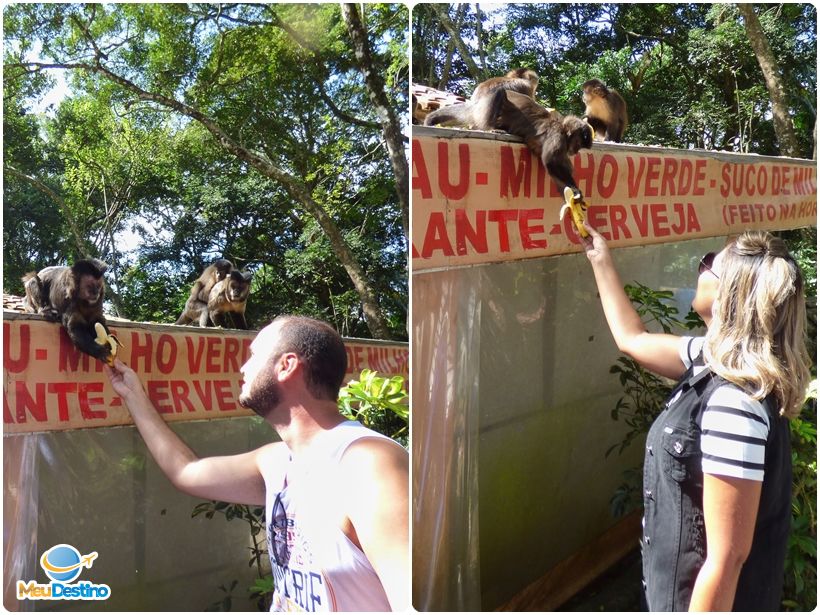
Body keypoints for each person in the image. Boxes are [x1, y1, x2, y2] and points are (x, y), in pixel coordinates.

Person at [104, 315, 409, 612]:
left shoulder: (367, 463)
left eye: (253, 355)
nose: (243, 367)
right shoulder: (276, 461)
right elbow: (186, 471)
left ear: (286, 366)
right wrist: (133, 396)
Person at [581, 225, 810, 611]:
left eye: (708, 264)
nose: (698, 267)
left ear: (728, 297)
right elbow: (633, 339)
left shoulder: (735, 403)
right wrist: (598, 255)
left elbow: (726, 560)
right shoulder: (714, 357)